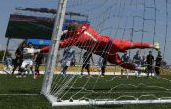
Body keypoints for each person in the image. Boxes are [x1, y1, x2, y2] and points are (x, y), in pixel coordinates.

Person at [27, 23, 160, 72]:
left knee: (120, 62)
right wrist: (67, 31)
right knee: (132, 44)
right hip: (111, 42)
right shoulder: (85, 26)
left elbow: (56, 46)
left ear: (71, 32)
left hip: (104, 51)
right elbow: (78, 27)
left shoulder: (74, 39)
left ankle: (138, 68)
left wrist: (37, 50)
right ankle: (153, 45)